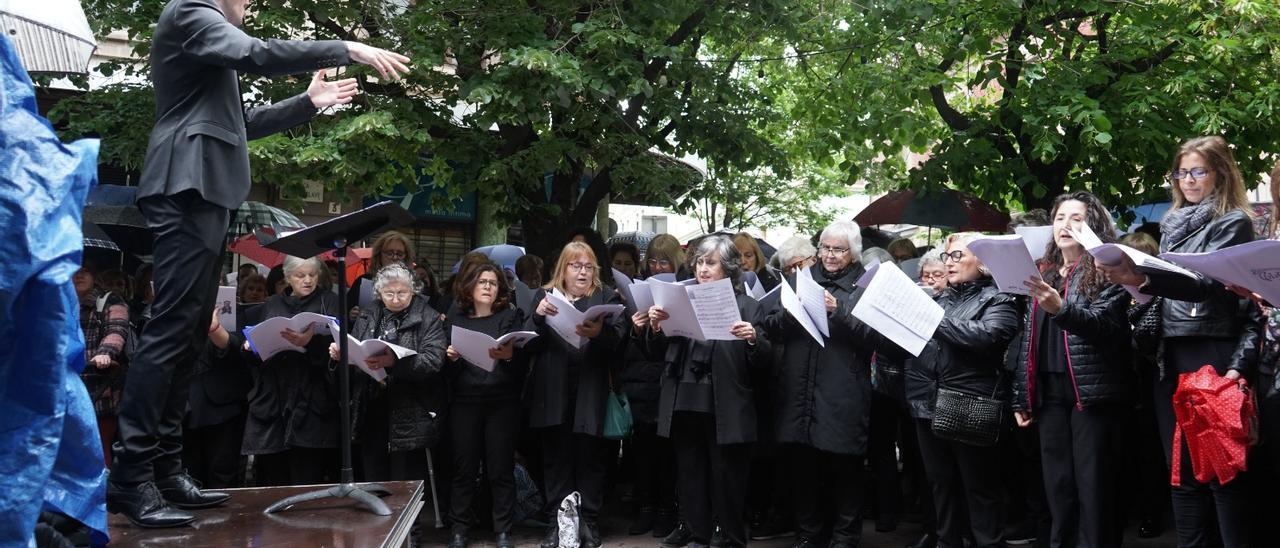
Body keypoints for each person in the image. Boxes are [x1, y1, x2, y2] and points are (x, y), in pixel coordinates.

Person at [108, 0, 413, 528]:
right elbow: (256, 54)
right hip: (185, 185)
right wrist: (348, 48)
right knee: (170, 334)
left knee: (187, 337)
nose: (251, 3)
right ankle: (131, 477)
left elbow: (238, 124)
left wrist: (308, 102)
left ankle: (164, 468)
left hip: (203, 187)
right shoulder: (191, 12)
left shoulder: (206, 43)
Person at [1098, 136, 1262, 547]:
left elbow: (1207, 285)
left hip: (1211, 352)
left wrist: (1145, 278)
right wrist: (1137, 284)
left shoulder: (1233, 222)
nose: (1187, 181)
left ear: (1220, 173)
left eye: (1198, 171)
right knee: (1182, 472)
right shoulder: (1171, 224)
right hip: (1170, 354)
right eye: (1181, 172)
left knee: (1222, 472)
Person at [1008, 192, 1132, 547]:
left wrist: (1060, 308)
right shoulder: (1043, 272)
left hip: (1090, 393)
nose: (1065, 225)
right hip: (1048, 393)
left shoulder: (1107, 269)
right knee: (1058, 487)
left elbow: (1105, 328)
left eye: (1076, 218)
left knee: (1093, 488)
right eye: (1060, 217)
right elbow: (1028, 339)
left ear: (1092, 225)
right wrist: (1023, 396)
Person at [634, 235, 772, 548]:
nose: (703, 269)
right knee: (689, 468)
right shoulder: (682, 297)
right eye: (699, 262)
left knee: (726, 472)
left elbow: (765, 362)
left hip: (725, 398)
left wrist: (752, 339)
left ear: (730, 267)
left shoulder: (749, 306)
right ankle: (695, 529)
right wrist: (655, 329)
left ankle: (728, 532)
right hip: (684, 392)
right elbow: (657, 353)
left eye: (711, 263)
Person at [760, 221, 886, 548]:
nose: (830, 255)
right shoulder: (800, 279)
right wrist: (792, 312)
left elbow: (878, 338)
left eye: (838, 249)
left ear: (853, 252)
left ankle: (844, 537)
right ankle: (808, 534)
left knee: (845, 468)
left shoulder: (865, 285)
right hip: (798, 388)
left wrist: (838, 310)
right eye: (826, 248)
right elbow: (769, 325)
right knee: (805, 467)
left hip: (842, 389)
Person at [906, 232, 1021, 548]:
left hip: (969, 404)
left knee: (979, 490)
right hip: (928, 403)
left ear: (982, 263)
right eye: (946, 256)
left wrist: (931, 320)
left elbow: (988, 336)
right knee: (941, 486)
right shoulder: (941, 298)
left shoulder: (1000, 298)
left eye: (957, 255)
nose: (949, 262)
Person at [526, 242, 628, 548]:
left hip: (591, 387)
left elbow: (621, 341)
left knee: (590, 459)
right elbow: (527, 345)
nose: (582, 272)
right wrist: (538, 318)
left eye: (588, 266)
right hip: (553, 388)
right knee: (555, 459)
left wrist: (600, 334)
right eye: (575, 265)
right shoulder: (543, 298)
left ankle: (589, 523)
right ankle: (557, 525)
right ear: (563, 269)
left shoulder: (605, 297)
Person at [332, 264, 446, 485]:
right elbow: (357, 348)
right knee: (374, 473)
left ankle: (409, 520)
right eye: (389, 293)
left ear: (412, 290)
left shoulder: (428, 316)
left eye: (402, 293)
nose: (395, 299)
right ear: (379, 293)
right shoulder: (368, 314)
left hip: (411, 405)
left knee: (405, 478)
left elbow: (433, 360)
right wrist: (341, 355)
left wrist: (395, 362)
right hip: (371, 402)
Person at [442, 263, 527, 548]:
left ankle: (503, 529)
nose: (489, 287)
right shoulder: (455, 318)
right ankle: (459, 530)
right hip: (465, 402)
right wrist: (451, 360)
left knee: (500, 468)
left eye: (493, 283)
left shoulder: (510, 317)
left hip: (502, 401)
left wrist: (510, 356)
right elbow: (446, 375)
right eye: (482, 282)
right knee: (464, 468)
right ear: (469, 287)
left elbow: (522, 369)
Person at [238, 256, 341, 487]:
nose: (307, 280)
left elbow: (339, 352)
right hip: (273, 400)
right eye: (300, 275)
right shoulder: (273, 303)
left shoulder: (330, 301)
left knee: (307, 476)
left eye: (312, 275)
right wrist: (250, 347)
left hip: (312, 400)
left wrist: (309, 342)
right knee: (272, 478)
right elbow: (256, 357)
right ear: (287, 278)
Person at [618, 236, 681, 538]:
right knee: (641, 451)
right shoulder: (639, 290)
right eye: (653, 261)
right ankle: (647, 507)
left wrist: (661, 328)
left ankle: (667, 510)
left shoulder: (682, 291)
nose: (657, 267)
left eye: (664, 261)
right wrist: (635, 327)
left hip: (667, 382)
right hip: (639, 382)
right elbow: (628, 347)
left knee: (666, 452)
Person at [74, 263, 134, 468]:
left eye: (85, 270)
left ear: (94, 276)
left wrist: (105, 354)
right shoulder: (57, 301)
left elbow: (116, 331)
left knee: (98, 449)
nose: (79, 275)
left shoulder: (109, 301)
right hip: (65, 388)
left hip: (98, 390)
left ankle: (103, 496)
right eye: (74, 269)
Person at [349, 230, 415, 319]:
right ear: (379, 256)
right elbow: (343, 318)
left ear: (406, 258)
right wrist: (351, 316)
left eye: (399, 254)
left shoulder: (414, 285)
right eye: (389, 253)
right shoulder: (363, 281)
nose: (394, 258)